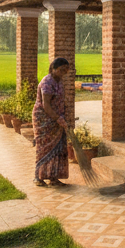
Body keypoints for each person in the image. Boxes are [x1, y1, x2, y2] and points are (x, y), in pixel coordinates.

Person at [33, 57, 71, 187]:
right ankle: (39, 177)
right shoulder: (47, 82)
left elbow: (61, 101)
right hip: (44, 118)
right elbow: (46, 105)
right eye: (61, 70)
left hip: (56, 118)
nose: (63, 73)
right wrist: (58, 118)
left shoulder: (59, 81)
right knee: (44, 148)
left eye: (66, 70)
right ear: (53, 69)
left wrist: (65, 115)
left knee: (58, 147)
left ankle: (53, 177)